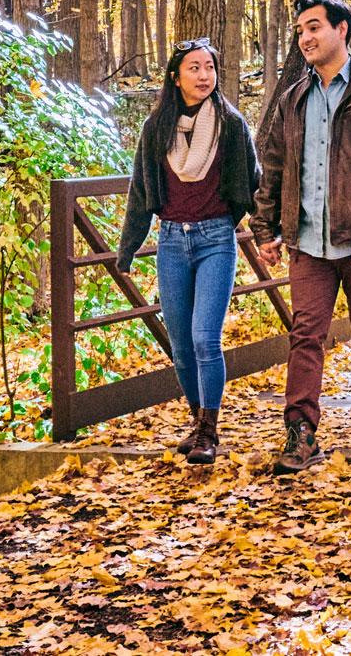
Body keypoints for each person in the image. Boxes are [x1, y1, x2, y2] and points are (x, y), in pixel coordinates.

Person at [252, 0, 351, 474]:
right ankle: (300, 434)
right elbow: (273, 167)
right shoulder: (294, 98)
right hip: (307, 242)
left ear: (341, 30)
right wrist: (264, 229)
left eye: (314, 27)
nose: (305, 37)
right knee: (305, 336)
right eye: (300, 30)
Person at [116, 38, 260, 464]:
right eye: (194, 68)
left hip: (217, 238)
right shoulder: (156, 128)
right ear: (176, 77)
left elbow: (253, 184)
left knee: (204, 338)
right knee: (179, 344)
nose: (203, 76)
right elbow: (140, 192)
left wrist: (270, 232)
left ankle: (209, 432)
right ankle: (198, 422)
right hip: (172, 241)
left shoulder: (231, 124)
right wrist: (127, 250)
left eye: (209, 68)